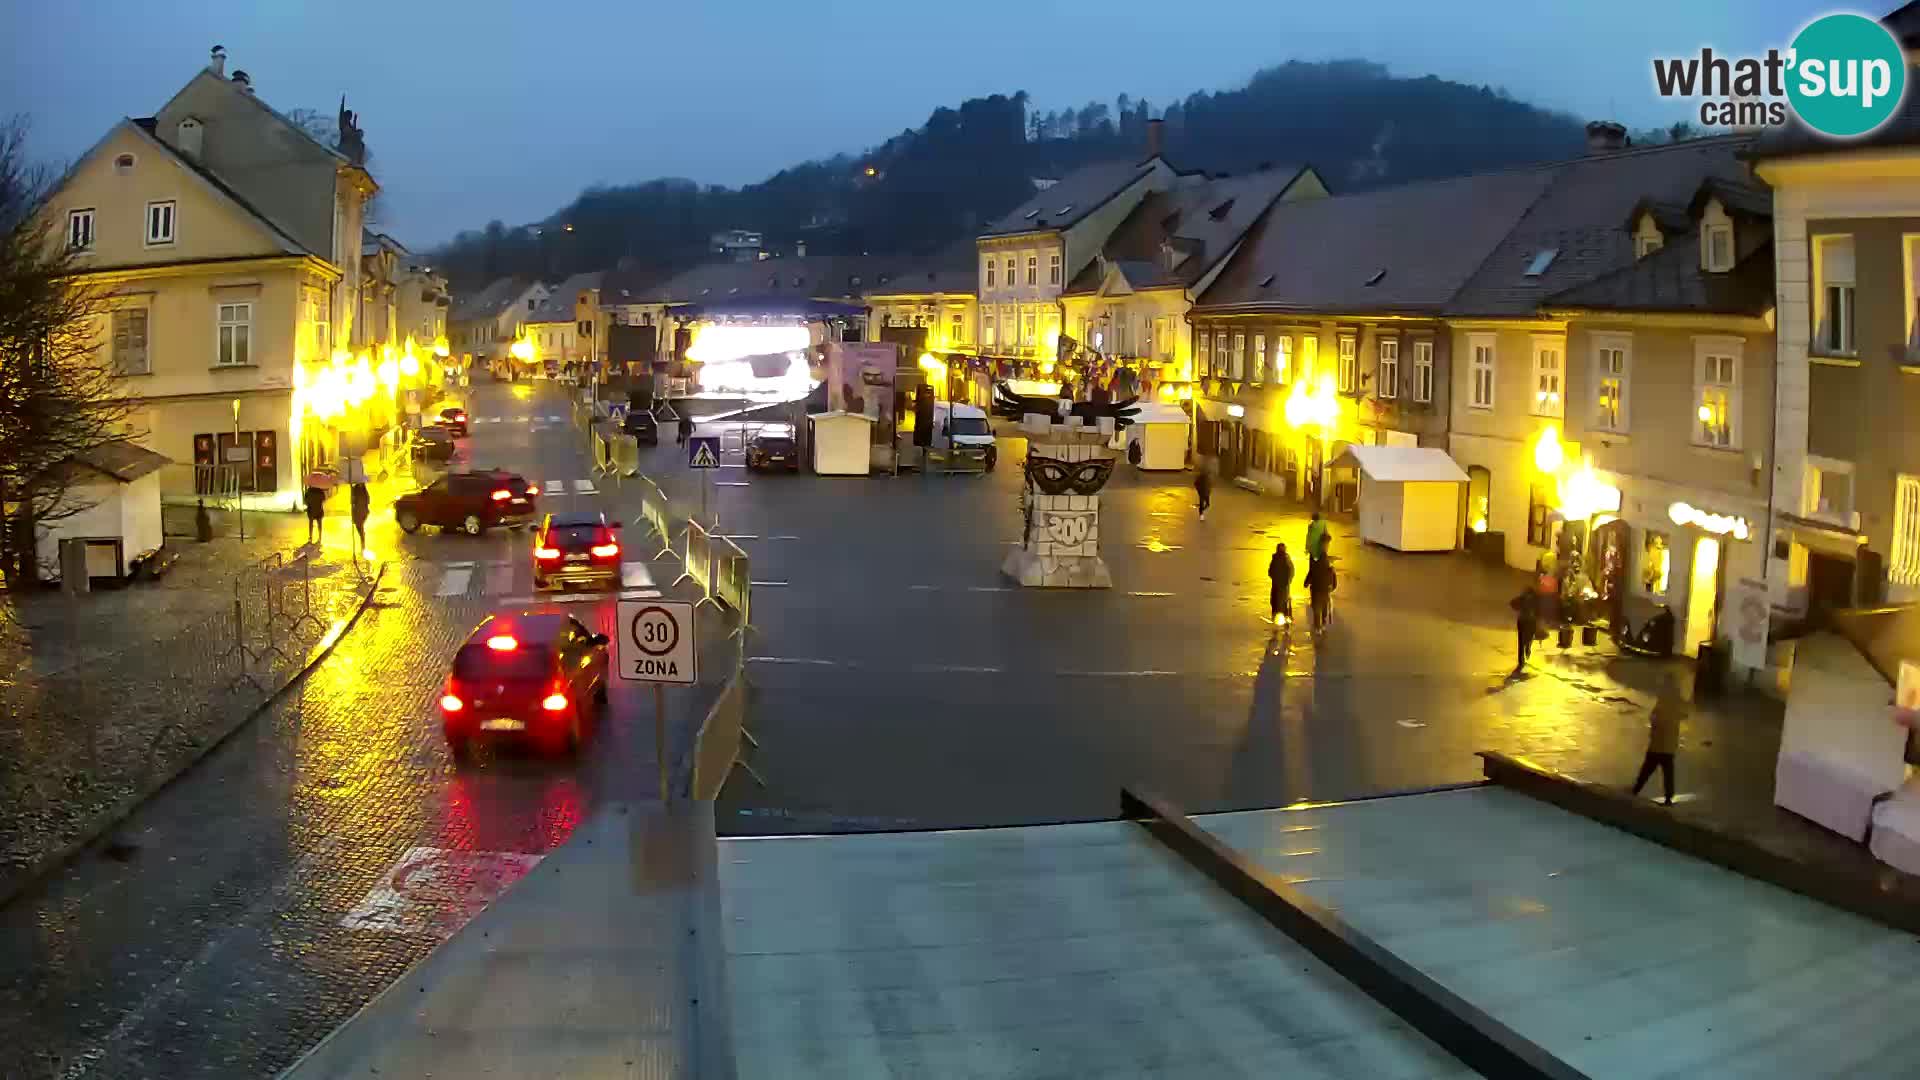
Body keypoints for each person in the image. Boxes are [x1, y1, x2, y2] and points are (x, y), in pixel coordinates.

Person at [1631, 672, 1688, 805]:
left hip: (1657, 744)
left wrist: (1654, 726)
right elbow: (1685, 714)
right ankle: (1668, 798)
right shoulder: (1678, 701)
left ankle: (1635, 791)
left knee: (1647, 769)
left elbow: (1654, 718)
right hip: (1669, 746)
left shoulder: (1663, 700)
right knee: (1668, 773)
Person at [1510, 586, 1539, 675]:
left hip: (1526, 621)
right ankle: (1523, 656)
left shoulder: (1532, 600)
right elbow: (1512, 603)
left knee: (1523, 641)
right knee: (1524, 641)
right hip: (1526, 621)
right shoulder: (1529, 599)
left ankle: (1525, 652)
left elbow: (1512, 603)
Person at [1306, 553, 1336, 634]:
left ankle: (1317, 627)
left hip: (1316, 592)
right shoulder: (1330, 569)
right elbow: (1334, 583)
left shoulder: (1315, 568)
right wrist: (1331, 589)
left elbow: (1309, 576)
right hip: (1325, 593)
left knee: (1316, 610)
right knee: (1324, 609)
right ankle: (1323, 624)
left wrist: (1306, 583)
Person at [1268, 542, 1294, 626]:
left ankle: (1278, 620)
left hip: (1279, 585)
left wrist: (1276, 578)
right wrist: (1288, 580)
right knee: (1282, 603)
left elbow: (1270, 572)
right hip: (1282, 586)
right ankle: (1285, 621)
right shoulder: (1285, 558)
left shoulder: (1276, 558)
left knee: (1277, 603)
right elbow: (1291, 571)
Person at [349, 482, 371, 554]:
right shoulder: (354, 489)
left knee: (360, 527)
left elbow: (368, 500)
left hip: (363, 512)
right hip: (357, 512)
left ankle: (363, 546)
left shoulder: (364, 490)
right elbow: (352, 502)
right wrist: (352, 493)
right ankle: (362, 538)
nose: (361, 484)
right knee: (359, 528)